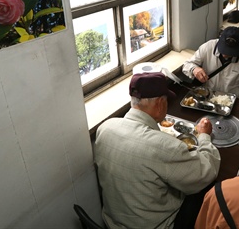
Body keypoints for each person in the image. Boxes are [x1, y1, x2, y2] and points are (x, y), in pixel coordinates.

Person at [94, 72, 221, 229]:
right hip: (158, 225)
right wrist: (204, 137)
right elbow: (207, 171)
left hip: (112, 223)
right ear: (160, 103)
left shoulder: (105, 128)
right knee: (209, 188)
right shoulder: (164, 146)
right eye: (167, 101)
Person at [182, 26, 239, 100]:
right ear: (219, 40)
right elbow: (186, 65)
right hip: (207, 97)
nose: (226, 54)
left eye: (231, 52)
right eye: (224, 49)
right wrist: (194, 69)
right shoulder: (208, 47)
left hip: (233, 99)